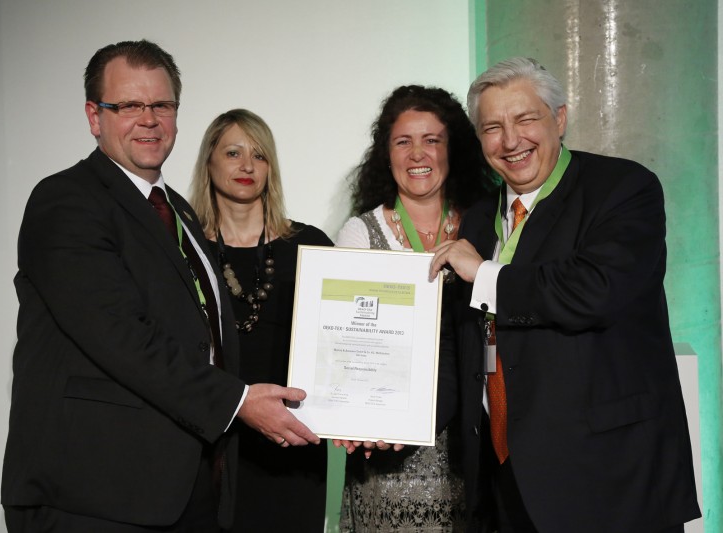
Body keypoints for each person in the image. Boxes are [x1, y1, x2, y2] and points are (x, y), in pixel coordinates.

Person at [1, 40, 319, 533]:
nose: (148, 119)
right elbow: (121, 338)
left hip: (186, 490)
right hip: (92, 496)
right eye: (128, 105)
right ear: (94, 115)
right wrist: (238, 402)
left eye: (161, 105)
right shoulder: (65, 202)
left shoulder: (181, 214)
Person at [429, 57, 702, 532]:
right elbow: (467, 341)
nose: (510, 141)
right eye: (492, 127)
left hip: (607, 477)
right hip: (503, 478)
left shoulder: (623, 188)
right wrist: (390, 424)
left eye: (525, 119)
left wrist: (486, 274)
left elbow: (592, 290)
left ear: (559, 118)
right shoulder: (477, 219)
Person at [335, 85, 492, 532]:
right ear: (387, 155)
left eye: (432, 139)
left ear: (452, 149)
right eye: (403, 141)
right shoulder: (360, 233)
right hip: (388, 448)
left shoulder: (488, 223)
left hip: (474, 442)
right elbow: (348, 346)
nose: (417, 153)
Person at [188, 108, 332, 532]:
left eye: (259, 155)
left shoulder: (311, 246)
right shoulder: (183, 249)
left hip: (291, 444)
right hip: (210, 443)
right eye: (233, 152)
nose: (247, 165)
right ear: (209, 162)